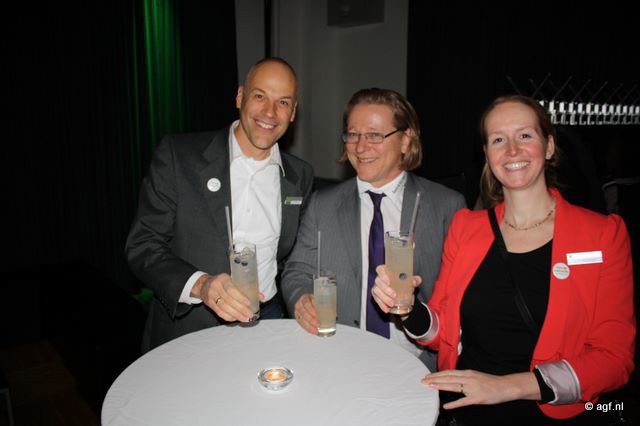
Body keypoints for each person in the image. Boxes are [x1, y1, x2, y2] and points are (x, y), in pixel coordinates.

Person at [372, 95, 635, 424]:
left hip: (555, 414)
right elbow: (442, 333)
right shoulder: (466, 227)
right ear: (487, 154)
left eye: (524, 135)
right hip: (468, 411)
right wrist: (410, 310)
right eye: (498, 140)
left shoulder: (602, 234)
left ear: (549, 146)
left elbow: (615, 359)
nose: (512, 150)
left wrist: (507, 387)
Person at [126, 57, 314, 352]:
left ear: (293, 113)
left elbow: (291, 256)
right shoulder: (179, 156)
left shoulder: (299, 175)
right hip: (192, 329)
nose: (270, 112)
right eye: (260, 96)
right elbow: (142, 245)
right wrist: (202, 285)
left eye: (283, 102)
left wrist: (302, 296)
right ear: (240, 96)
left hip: (269, 321)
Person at [281, 88, 466, 371]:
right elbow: (297, 271)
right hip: (340, 358)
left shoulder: (446, 206)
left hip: (417, 364)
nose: (360, 146)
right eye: (353, 134)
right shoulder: (322, 205)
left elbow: (461, 300)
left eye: (375, 135)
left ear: (405, 140)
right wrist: (301, 298)